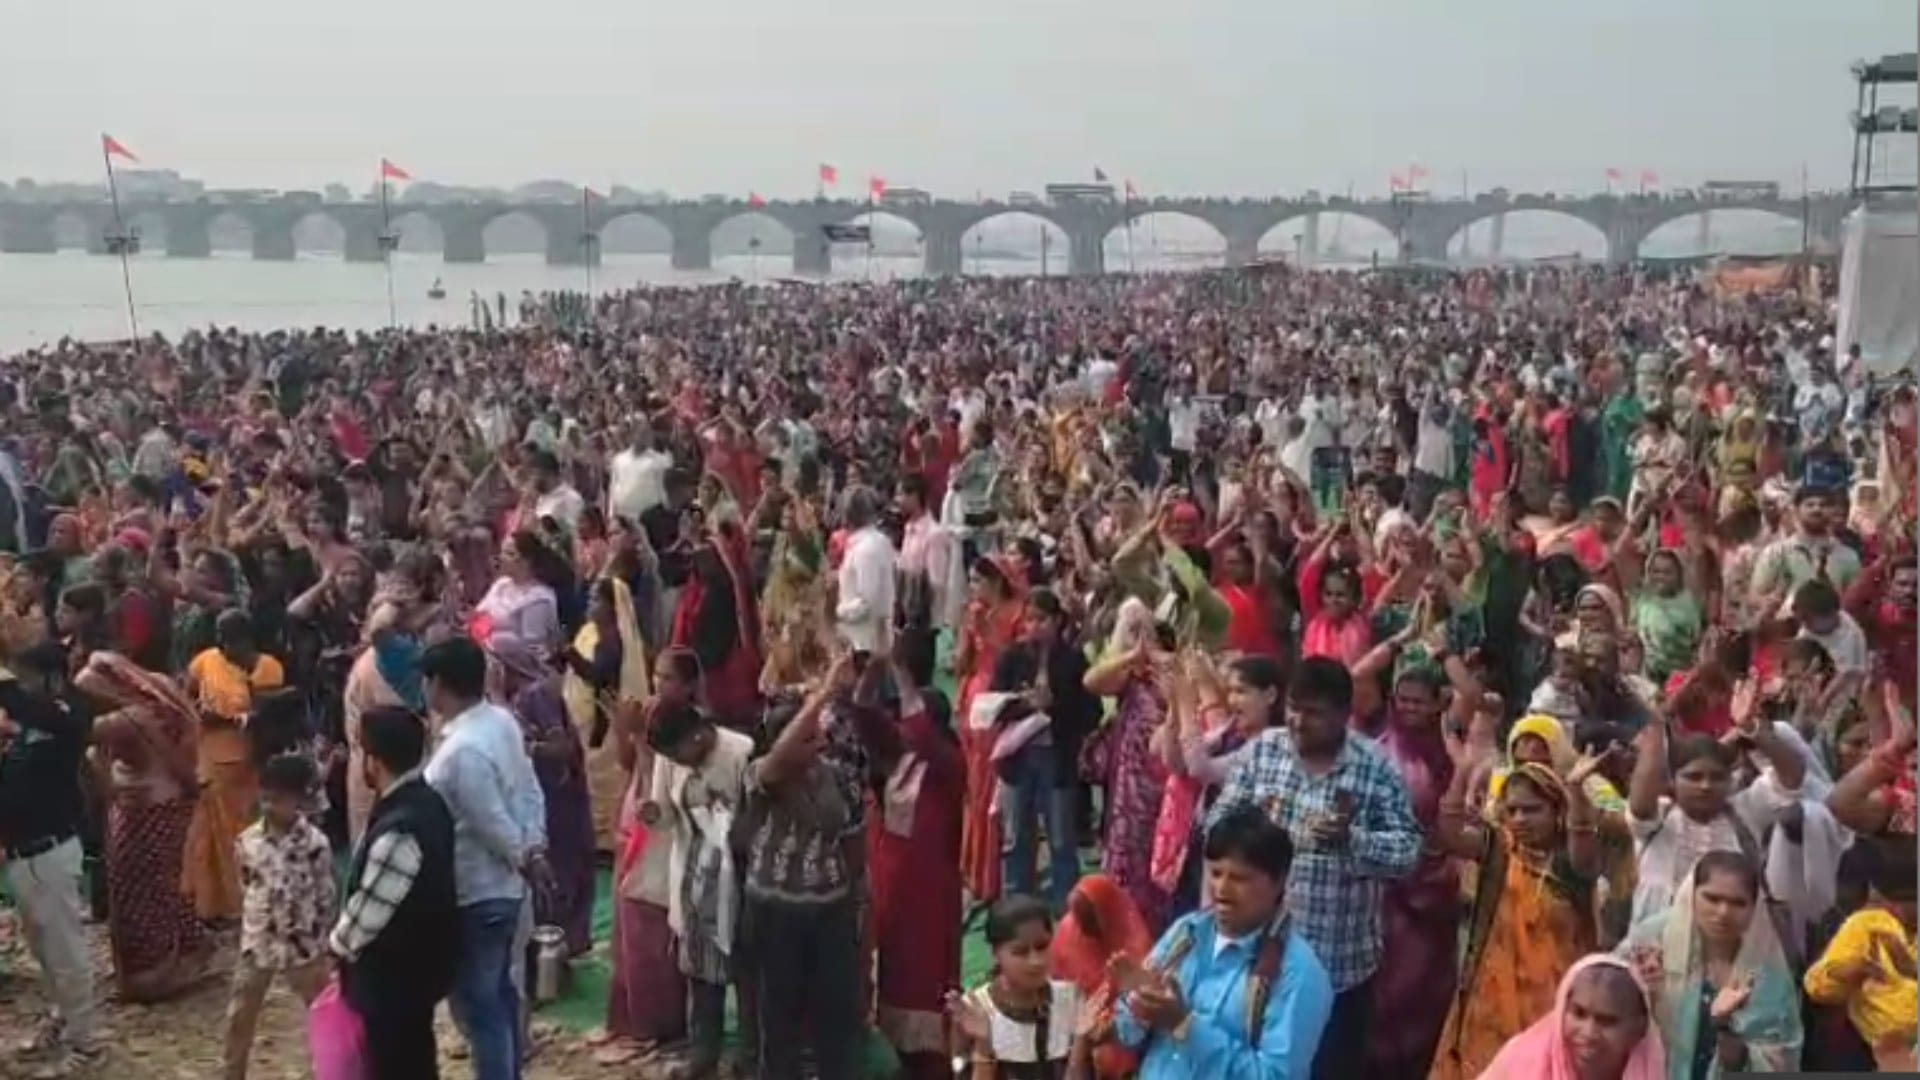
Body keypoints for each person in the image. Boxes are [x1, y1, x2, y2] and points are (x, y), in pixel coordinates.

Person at [1204, 657, 1420, 1079]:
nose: (1298, 722)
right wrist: (1262, 836)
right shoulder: (1263, 752)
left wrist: (1351, 842)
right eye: (1293, 708)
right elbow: (1217, 826)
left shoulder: (1374, 769)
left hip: (1338, 972)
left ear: (1343, 714)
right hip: (1259, 964)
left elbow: (1409, 852)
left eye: (1314, 712)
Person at [1427, 737, 1605, 1078]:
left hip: (1556, 1003)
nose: (1520, 819)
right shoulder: (1499, 851)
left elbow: (1584, 842)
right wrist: (1462, 771)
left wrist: (1577, 791)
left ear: (1557, 812)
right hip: (1493, 1005)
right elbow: (1449, 834)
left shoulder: (1571, 864)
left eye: (1532, 809)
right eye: (1512, 810)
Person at [1112, 808, 1334, 1079]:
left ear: (1279, 883)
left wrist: (1185, 1026)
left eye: (1239, 878)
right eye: (1216, 874)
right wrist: (1140, 1005)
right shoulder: (1187, 933)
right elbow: (1127, 1032)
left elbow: (1276, 1075)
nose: (1221, 890)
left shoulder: (1297, 972)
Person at [420, 636, 552, 1080]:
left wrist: (525, 855)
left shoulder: (461, 752)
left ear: (438, 684)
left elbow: (490, 821)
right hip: (506, 886)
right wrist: (533, 845)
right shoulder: (500, 721)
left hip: (478, 890)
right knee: (500, 997)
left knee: (483, 1009)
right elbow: (529, 787)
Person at [330, 705, 459, 1080]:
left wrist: (336, 947)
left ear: (374, 760)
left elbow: (371, 911)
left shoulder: (401, 828)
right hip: (416, 976)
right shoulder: (426, 802)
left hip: (395, 982)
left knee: (395, 1065)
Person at [0, 642, 100, 1076]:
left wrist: (6, 687)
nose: (22, 686)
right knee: (43, 950)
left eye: (28, 676)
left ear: (52, 677)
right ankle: (62, 1020)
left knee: (66, 951)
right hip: (23, 852)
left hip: (52, 851)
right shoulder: (27, 723)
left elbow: (29, 709)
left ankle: (86, 1043)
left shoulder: (68, 714)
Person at [1616, 851, 1804, 1076]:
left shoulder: (1768, 976)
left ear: (1755, 908)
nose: (1723, 912)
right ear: (1691, 893)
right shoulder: (1651, 942)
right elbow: (1605, 1000)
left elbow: (1782, 1059)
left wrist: (1728, 1033)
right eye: (1712, 898)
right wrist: (1640, 990)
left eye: (1738, 903)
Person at [869, 645, 965, 1080]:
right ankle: (902, 1056)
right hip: (892, 888)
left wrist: (902, 672)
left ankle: (932, 1062)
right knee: (894, 971)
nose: (905, 728)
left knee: (924, 977)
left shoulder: (948, 766)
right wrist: (869, 671)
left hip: (929, 892)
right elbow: (864, 719)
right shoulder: (899, 763)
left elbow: (921, 732)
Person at [644, 697, 754, 1077]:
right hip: (693, 880)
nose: (680, 763)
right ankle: (703, 1055)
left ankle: (750, 1056)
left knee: (747, 971)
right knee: (701, 976)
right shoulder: (669, 759)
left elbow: (755, 822)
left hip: (738, 881)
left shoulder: (741, 752)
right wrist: (652, 812)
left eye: (682, 753)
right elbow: (664, 815)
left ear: (698, 733)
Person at [223, 753, 334, 1080]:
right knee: (240, 1014)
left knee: (321, 1011)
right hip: (259, 941)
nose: (271, 806)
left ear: (299, 800)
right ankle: (233, 1073)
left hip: (304, 944)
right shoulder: (248, 841)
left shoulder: (315, 844)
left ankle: (329, 1069)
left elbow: (325, 894)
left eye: (280, 799)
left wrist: (324, 941)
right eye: (267, 798)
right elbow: (245, 883)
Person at [182, 608, 287, 920]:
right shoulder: (206, 661)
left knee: (242, 833)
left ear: (247, 640)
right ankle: (213, 905)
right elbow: (186, 692)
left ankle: (246, 903)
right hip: (210, 759)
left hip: (249, 762)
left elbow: (268, 717)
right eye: (221, 640)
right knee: (207, 833)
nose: (224, 647)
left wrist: (226, 719)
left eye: (231, 641)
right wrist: (196, 712)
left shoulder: (267, 668)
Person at [1802, 836, 1919, 1070]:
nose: (1904, 909)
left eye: (1913, 900)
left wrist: (1911, 969)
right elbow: (1817, 986)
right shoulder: (1865, 926)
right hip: (1870, 1047)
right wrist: (1848, 973)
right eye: (1898, 900)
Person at [949, 895, 1096, 1078]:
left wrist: (1081, 1043)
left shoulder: (1070, 999)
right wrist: (983, 1045)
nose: (1035, 961)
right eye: (1020, 952)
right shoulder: (976, 1009)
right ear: (995, 954)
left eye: (1042, 947)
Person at [559, 575, 650, 852]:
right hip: (589, 717)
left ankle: (608, 842)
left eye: (598, 599)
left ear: (613, 607)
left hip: (605, 722)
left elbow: (597, 677)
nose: (590, 603)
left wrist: (569, 654)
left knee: (605, 780)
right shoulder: (593, 633)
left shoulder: (611, 641)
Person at [1476, 954, 1667, 1080]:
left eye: (1606, 1021)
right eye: (1579, 1013)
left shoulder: (1646, 1071)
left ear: (1638, 1029)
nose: (1589, 1033)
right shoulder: (1519, 1061)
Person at [1048, 874, 1155, 1079]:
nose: (1086, 929)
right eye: (1081, 921)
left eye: (1091, 920)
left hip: (1122, 1027)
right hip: (1078, 1027)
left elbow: (1143, 996)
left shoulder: (1134, 937)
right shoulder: (1067, 932)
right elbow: (1058, 988)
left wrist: (1110, 1024)